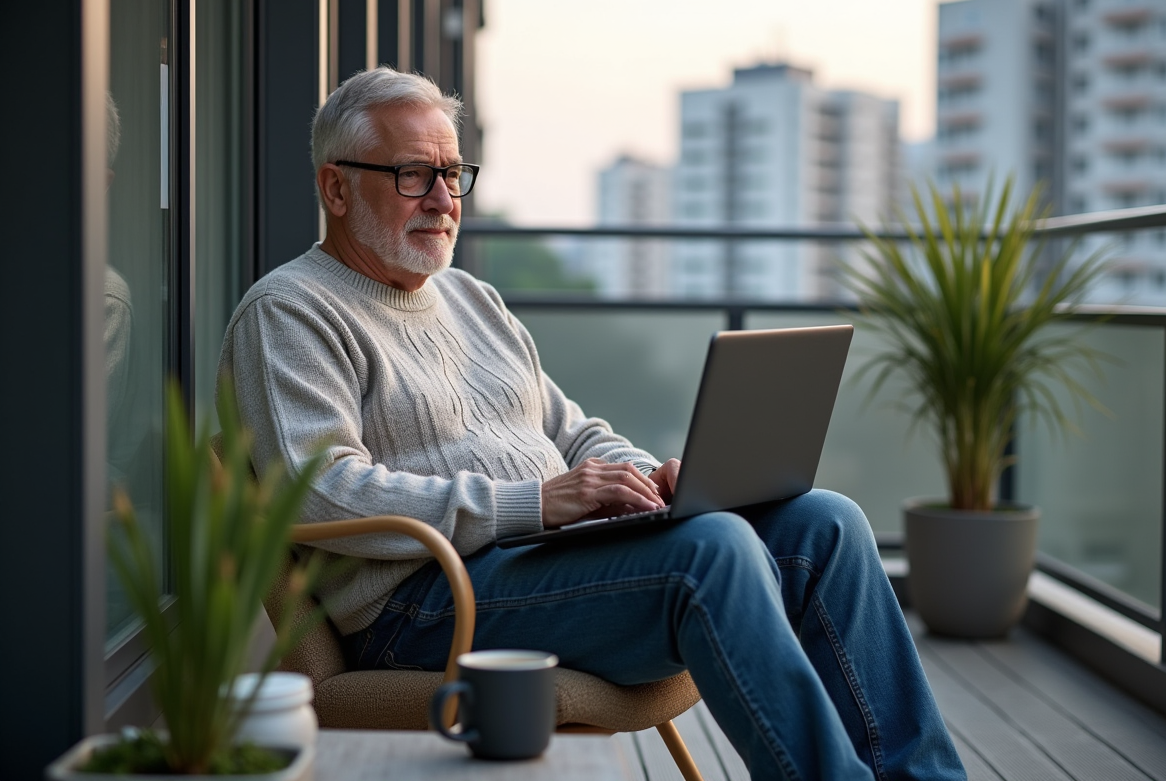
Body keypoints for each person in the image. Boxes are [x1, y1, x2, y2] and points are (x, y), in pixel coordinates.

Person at [218, 67, 966, 781]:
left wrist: (650, 477)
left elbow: (570, 432)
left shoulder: (473, 300)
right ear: (336, 188)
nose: (444, 198)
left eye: (454, 174)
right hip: (426, 601)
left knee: (823, 524)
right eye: (414, 174)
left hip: (542, 564)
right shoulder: (290, 312)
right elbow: (317, 491)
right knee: (713, 549)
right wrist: (536, 503)